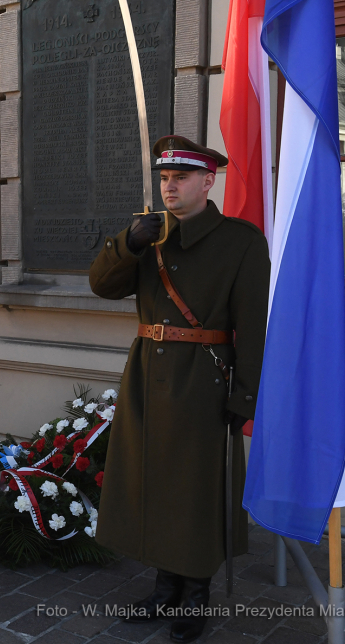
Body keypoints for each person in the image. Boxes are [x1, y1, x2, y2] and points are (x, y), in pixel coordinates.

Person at [89, 136, 270, 643]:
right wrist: (128, 242)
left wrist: (245, 395)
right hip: (147, 376)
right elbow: (101, 284)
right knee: (151, 485)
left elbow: (254, 328)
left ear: (208, 182)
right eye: (165, 178)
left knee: (194, 493)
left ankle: (194, 598)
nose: (170, 186)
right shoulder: (150, 236)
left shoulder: (242, 241)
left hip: (203, 381)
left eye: (182, 178)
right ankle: (164, 589)